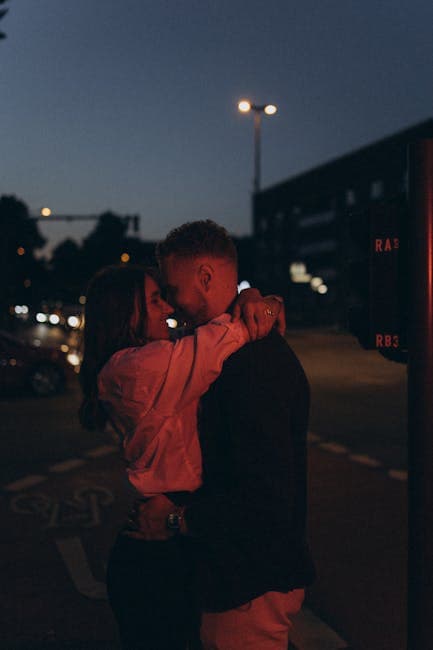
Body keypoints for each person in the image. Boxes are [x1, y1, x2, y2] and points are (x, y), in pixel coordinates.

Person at [79, 263, 283, 650]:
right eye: (155, 300)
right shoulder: (139, 368)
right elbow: (225, 338)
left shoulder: (140, 362)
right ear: (127, 310)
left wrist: (252, 297)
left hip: (163, 536)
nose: (168, 310)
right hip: (157, 552)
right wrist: (264, 305)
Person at [133, 220, 316, 650]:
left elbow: (266, 499)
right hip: (242, 573)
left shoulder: (251, 364)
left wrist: (176, 519)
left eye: (172, 290)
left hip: (250, 580)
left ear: (205, 277)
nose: (172, 306)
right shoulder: (229, 348)